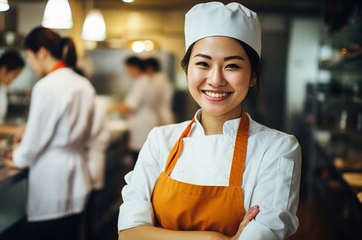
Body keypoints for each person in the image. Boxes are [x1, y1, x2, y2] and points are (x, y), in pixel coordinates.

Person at [118, 2, 301, 240]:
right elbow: (128, 234)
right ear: (187, 70)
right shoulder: (160, 140)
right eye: (203, 63)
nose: (215, 80)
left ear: (253, 76)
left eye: (232, 65)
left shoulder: (278, 149)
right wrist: (215, 238)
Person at [7, 26, 103, 239]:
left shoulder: (47, 86)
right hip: (78, 174)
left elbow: (34, 142)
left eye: (29, 58)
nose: (30, 65)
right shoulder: (83, 83)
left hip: (52, 180)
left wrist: (16, 157)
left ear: (41, 52)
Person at [107, 55, 158, 164]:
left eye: (127, 68)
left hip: (142, 125)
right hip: (145, 123)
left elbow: (130, 107)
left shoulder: (142, 82)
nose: (127, 72)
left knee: (140, 158)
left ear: (133, 67)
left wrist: (111, 108)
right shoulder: (146, 80)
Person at [145, 57, 175, 125]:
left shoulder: (159, 79)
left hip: (161, 115)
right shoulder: (162, 78)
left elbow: (154, 97)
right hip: (162, 114)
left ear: (149, 68)